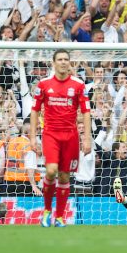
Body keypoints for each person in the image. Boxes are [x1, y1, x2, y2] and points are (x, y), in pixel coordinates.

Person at [30, 49, 91, 227]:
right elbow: (34, 111)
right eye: (60, 59)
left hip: (71, 136)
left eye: (66, 59)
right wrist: (33, 138)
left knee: (64, 177)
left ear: (69, 62)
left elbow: (86, 113)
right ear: (53, 62)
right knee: (50, 171)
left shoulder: (79, 85)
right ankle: (47, 210)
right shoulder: (43, 84)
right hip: (50, 134)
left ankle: (59, 216)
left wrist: (86, 139)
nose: (63, 62)